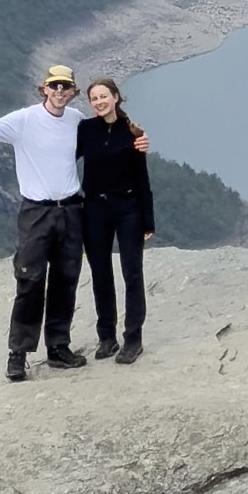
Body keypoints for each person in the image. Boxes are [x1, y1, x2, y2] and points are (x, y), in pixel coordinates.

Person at [0, 64, 88, 379]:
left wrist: (134, 138)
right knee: (29, 281)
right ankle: (18, 354)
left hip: (71, 210)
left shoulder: (77, 120)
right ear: (43, 89)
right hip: (37, 212)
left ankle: (58, 347)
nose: (59, 92)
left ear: (72, 92)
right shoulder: (24, 120)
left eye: (65, 87)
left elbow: (100, 146)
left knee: (65, 281)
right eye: (53, 86)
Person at [75, 76, 154, 363]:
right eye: (94, 98)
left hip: (128, 208)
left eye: (103, 96)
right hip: (95, 208)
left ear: (116, 97)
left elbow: (142, 179)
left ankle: (133, 339)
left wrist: (148, 220)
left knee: (132, 273)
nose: (99, 102)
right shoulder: (85, 130)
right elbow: (65, 161)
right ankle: (106, 337)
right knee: (100, 274)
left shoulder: (133, 132)